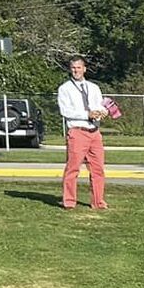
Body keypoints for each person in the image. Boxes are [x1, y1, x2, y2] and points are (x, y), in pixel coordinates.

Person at [56, 55, 109, 211]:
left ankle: (98, 201)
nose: (76, 70)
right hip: (77, 131)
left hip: (94, 132)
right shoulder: (65, 89)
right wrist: (87, 114)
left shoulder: (93, 88)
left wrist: (103, 112)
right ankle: (69, 201)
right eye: (73, 68)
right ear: (70, 69)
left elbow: (100, 105)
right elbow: (65, 111)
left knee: (98, 169)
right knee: (73, 168)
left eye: (79, 67)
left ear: (84, 69)